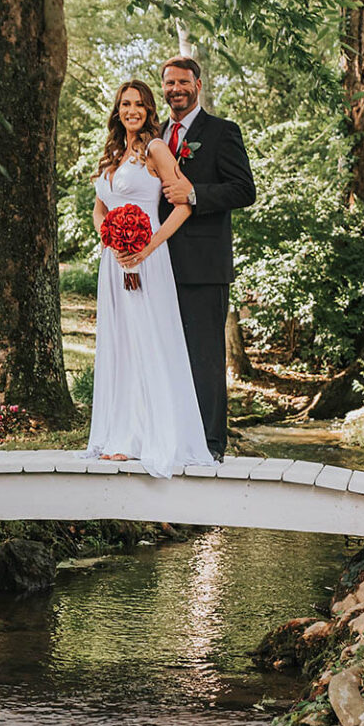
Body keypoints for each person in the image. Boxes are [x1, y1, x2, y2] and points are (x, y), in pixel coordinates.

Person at [84, 79, 216, 476]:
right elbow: (99, 208)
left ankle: (142, 438)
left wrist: (148, 245)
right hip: (114, 260)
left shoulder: (156, 149)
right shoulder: (111, 154)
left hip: (146, 259)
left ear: (148, 109)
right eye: (125, 104)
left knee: (147, 340)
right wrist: (109, 236)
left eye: (139, 104)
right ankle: (119, 433)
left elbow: (184, 204)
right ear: (117, 109)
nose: (132, 111)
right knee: (121, 343)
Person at [156, 56, 256, 461]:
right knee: (166, 352)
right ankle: (175, 436)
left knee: (205, 357)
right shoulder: (156, 135)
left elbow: (243, 190)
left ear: (198, 85)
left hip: (204, 265)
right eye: (169, 83)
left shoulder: (221, 132)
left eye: (183, 82)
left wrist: (194, 195)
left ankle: (212, 445)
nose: (175, 89)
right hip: (159, 262)